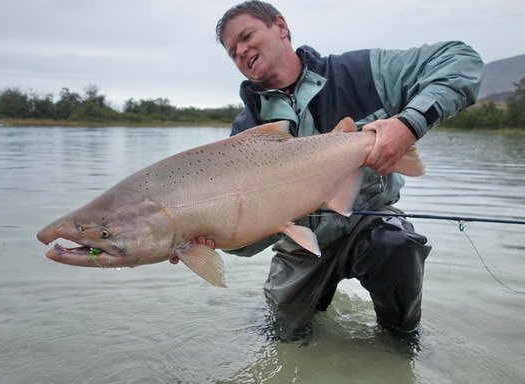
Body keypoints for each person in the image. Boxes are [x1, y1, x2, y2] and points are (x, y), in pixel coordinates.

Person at [177, 0, 484, 338]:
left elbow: (460, 59)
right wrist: (215, 238)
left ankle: (399, 341)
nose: (242, 51)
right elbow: (251, 241)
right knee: (281, 336)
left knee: (396, 243)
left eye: (247, 36)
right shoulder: (246, 132)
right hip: (300, 245)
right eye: (232, 52)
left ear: (280, 26)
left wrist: (409, 124)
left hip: (369, 221)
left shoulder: (361, 73)